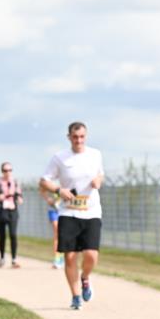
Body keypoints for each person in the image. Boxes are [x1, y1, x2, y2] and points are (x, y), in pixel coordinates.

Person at [40, 123, 104, 309]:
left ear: (86, 136)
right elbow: (44, 181)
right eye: (75, 137)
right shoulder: (59, 157)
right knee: (70, 257)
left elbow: (100, 174)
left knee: (91, 255)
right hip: (68, 211)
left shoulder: (95, 154)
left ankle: (85, 277)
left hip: (91, 211)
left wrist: (98, 181)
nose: (79, 140)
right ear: (69, 137)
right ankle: (75, 296)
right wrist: (59, 190)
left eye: (82, 136)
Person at [0, 162, 23, 268]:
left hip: (12, 210)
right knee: (2, 236)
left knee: (13, 234)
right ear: (2, 171)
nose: (8, 172)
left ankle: (14, 259)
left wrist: (20, 199)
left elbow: (19, 195)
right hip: (1, 210)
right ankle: (2, 257)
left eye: (9, 170)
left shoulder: (15, 182)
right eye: (5, 170)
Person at [40, 184, 65, 268]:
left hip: (65, 209)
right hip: (53, 210)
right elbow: (42, 188)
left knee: (64, 235)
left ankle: (63, 257)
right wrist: (47, 198)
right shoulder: (51, 180)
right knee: (57, 233)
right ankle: (57, 259)